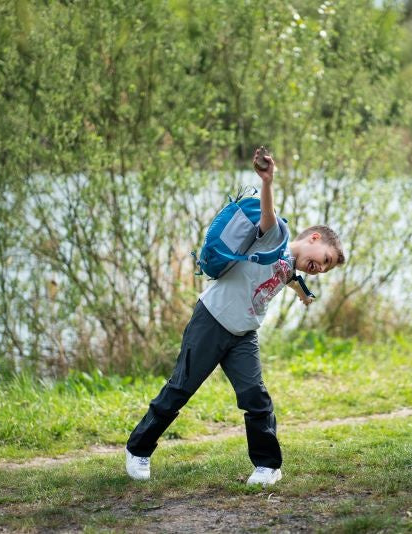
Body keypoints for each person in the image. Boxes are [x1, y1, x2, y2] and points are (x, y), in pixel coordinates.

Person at [125, 148, 346, 486]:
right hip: (211, 321)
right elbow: (268, 219)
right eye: (325, 259)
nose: (321, 268)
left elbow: (289, 279)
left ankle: (268, 466)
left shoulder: (289, 266)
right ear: (314, 238)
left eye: (326, 269)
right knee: (180, 388)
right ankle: (138, 450)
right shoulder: (276, 237)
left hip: (244, 334)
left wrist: (306, 294)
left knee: (255, 398)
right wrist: (268, 181)